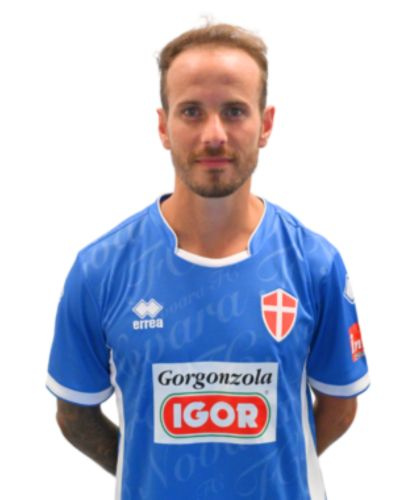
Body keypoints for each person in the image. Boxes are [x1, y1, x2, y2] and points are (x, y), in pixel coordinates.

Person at [46, 22, 370, 500]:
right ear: (164, 126)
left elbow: (340, 407)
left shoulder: (315, 265)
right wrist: (151, 472)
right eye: (192, 111)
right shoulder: (100, 270)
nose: (214, 135)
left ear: (265, 124)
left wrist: (265, 472)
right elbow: (74, 414)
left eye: (234, 111)